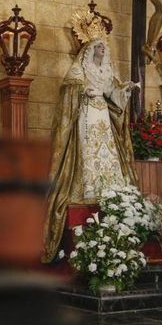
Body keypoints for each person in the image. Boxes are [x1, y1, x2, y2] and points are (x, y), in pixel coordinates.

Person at [42, 38, 139, 263]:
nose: (101, 49)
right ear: (89, 51)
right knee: (89, 151)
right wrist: (83, 90)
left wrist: (125, 89)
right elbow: (68, 89)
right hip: (86, 113)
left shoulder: (106, 71)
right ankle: (90, 188)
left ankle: (111, 191)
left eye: (103, 47)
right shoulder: (79, 69)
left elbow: (113, 95)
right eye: (98, 47)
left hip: (102, 112)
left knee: (108, 151)